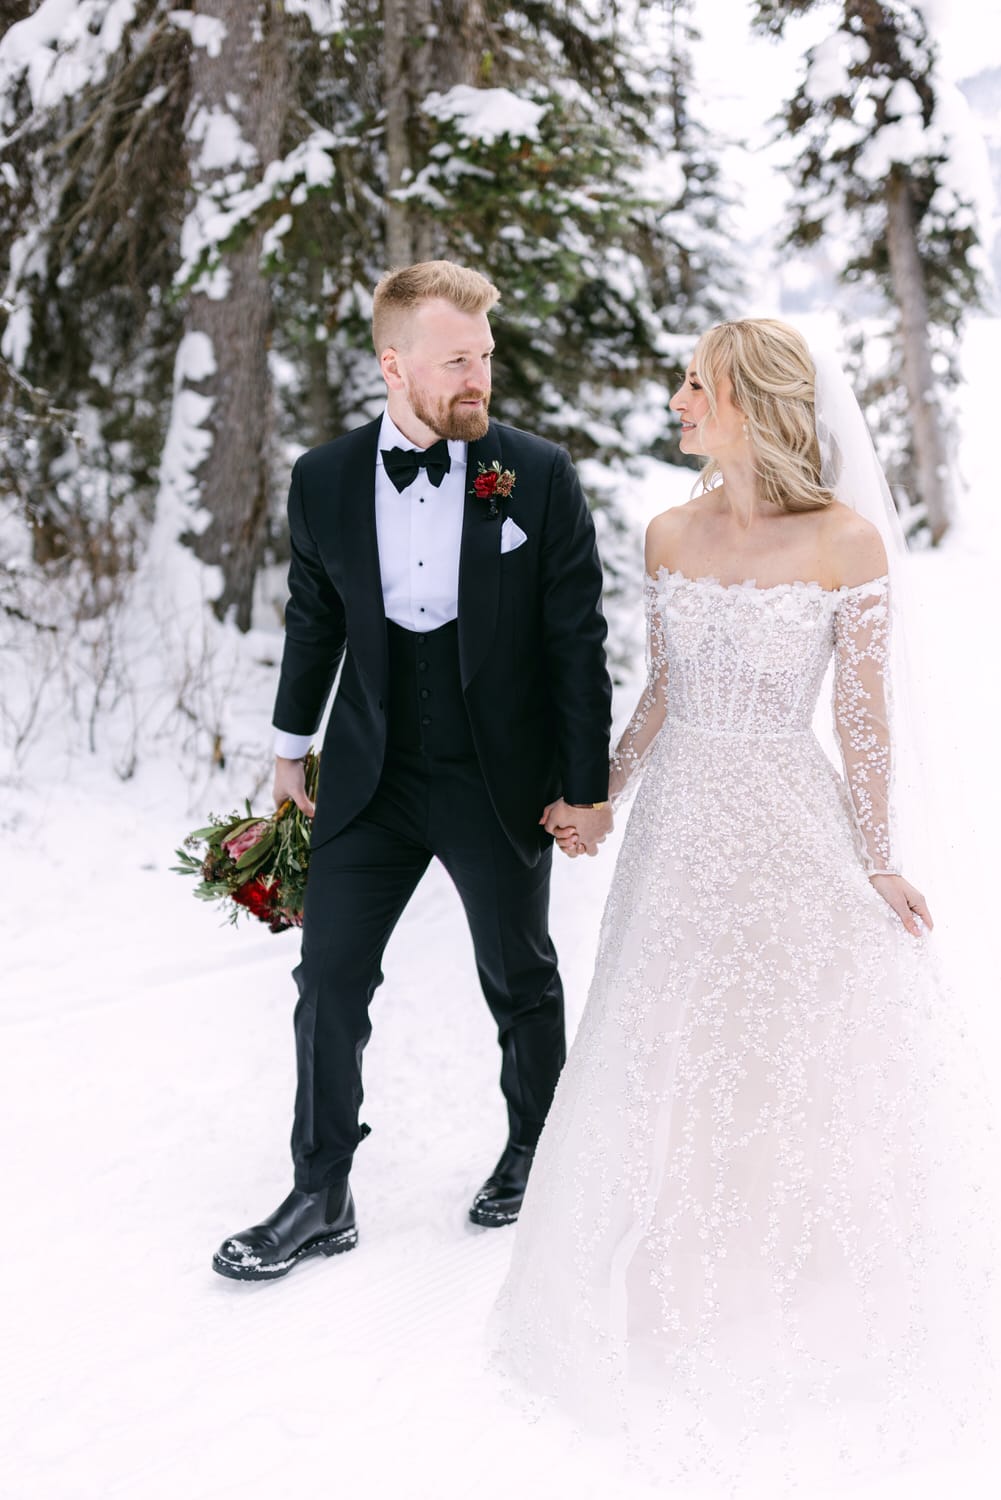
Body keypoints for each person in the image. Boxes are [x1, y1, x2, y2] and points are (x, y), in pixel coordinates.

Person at [495, 319, 993, 1487]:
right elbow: (663, 683)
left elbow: (861, 721)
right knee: (669, 1036)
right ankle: (664, 1269)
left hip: (783, 816)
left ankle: (791, 1270)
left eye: (693, 385)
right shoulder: (668, 529)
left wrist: (875, 857)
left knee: (782, 1044)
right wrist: (599, 792)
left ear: (751, 404)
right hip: (677, 828)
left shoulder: (845, 543)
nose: (674, 400)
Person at [212, 261, 613, 1282]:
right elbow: (313, 621)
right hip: (371, 773)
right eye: (455, 360)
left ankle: (535, 1152)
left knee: (518, 975)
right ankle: (320, 1191)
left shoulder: (533, 472)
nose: (478, 376)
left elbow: (575, 642)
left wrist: (583, 787)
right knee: (327, 982)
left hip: (496, 774)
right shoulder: (325, 478)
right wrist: (291, 747)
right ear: (393, 366)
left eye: (484, 356)